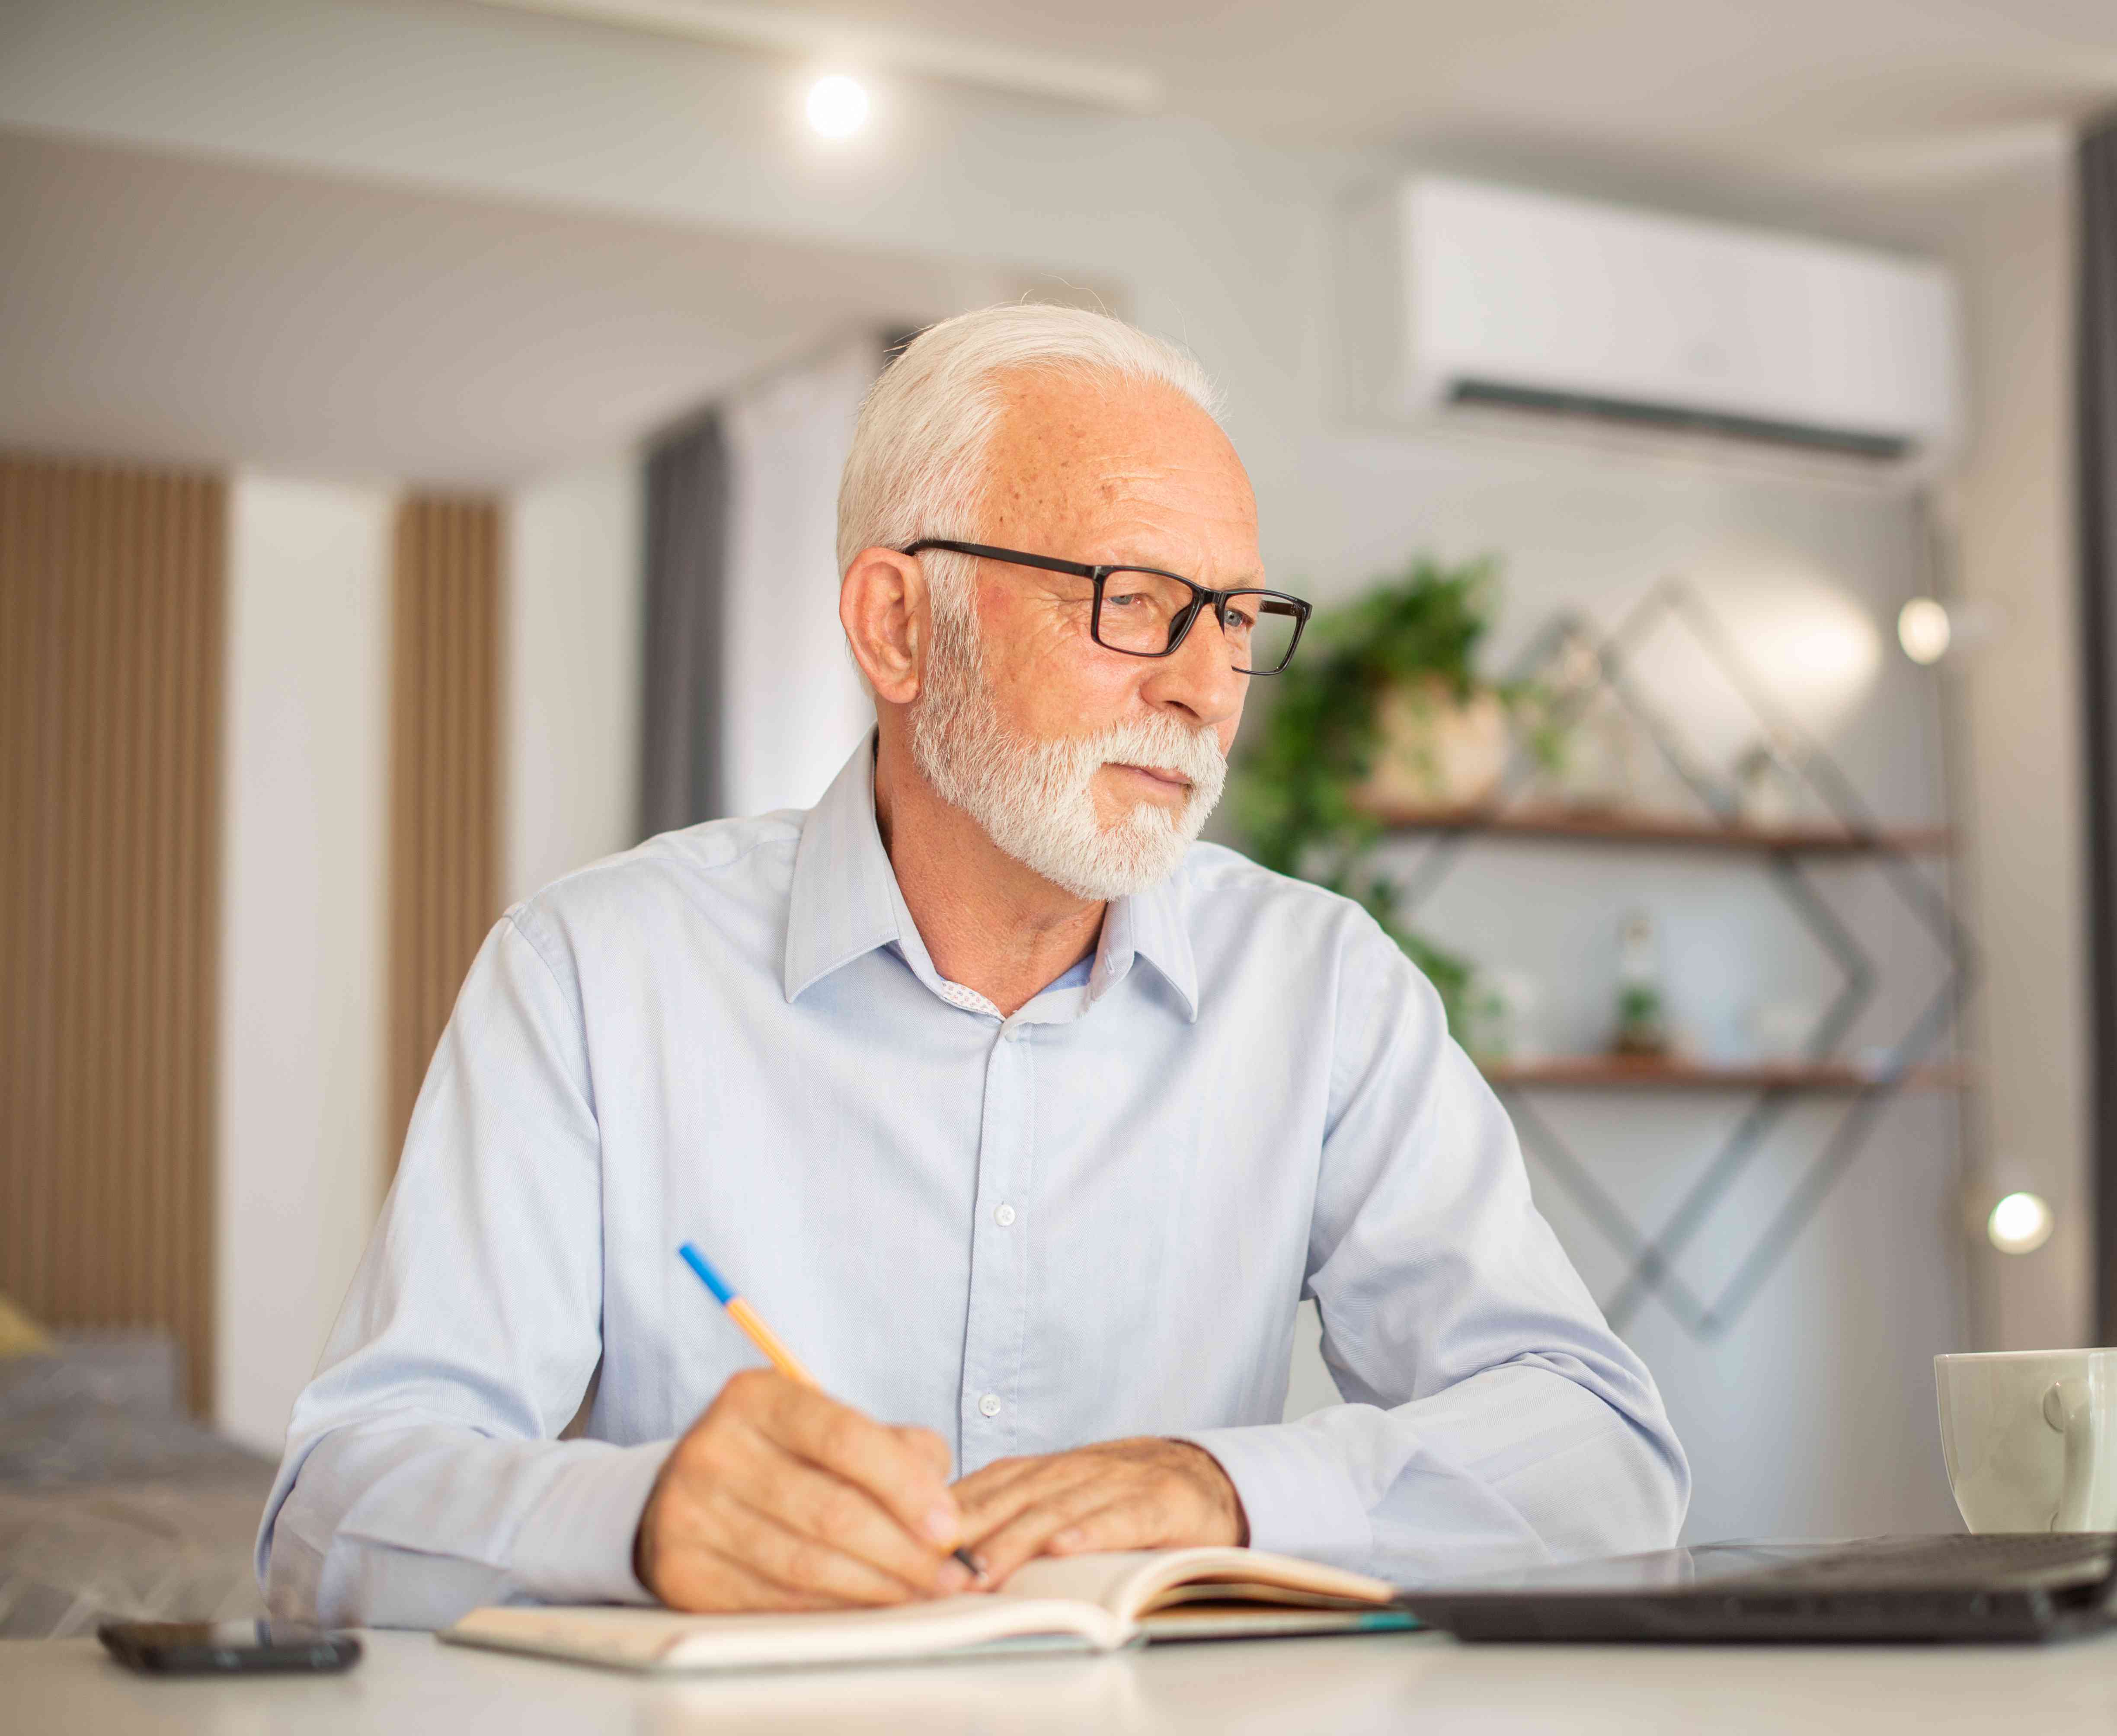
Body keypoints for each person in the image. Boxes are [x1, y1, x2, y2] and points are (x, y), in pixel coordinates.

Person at [258, 303, 1687, 1626]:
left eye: (1239, 620)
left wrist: (1223, 1488)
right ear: (898, 625)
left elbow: (1603, 1457)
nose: (1202, 688)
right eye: (1134, 600)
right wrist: (632, 1522)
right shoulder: (592, 975)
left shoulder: (1325, 992)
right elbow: (334, 1514)